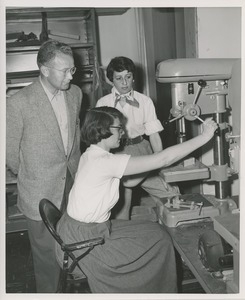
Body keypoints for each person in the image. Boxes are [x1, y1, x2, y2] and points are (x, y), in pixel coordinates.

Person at [55, 106, 217, 293]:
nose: (122, 132)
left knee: (155, 231)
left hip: (75, 228)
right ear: (103, 130)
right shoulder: (105, 162)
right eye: (118, 128)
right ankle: (159, 290)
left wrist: (150, 164)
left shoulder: (91, 154)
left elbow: (130, 183)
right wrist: (204, 136)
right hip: (85, 240)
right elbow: (163, 160)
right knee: (159, 240)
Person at [6, 39, 82, 293]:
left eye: (73, 69)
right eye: (66, 70)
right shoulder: (18, 102)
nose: (72, 75)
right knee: (46, 260)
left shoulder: (76, 94)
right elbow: (9, 151)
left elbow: (75, 136)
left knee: (74, 245)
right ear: (45, 69)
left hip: (72, 181)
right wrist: (32, 175)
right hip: (39, 190)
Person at [96, 56, 179, 220]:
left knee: (170, 194)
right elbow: (100, 140)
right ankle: (124, 231)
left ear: (133, 77)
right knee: (120, 198)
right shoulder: (102, 103)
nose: (124, 82)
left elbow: (154, 135)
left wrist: (162, 163)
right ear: (111, 80)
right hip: (117, 152)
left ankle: (172, 223)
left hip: (142, 149)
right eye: (119, 78)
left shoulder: (145, 101)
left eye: (128, 77)